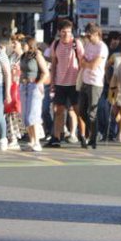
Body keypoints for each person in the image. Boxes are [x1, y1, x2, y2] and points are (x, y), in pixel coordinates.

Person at [44, 20, 84, 148]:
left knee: (78, 111)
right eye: (63, 32)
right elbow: (54, 63)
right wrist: (52, 81)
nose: (66, 34)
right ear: (59, 32)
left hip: (74, 83)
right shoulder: (56, 45)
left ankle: (83, 136)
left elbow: (82, 62)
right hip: (60, 83)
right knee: (58, 111)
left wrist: (82, 80)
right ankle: (56, 137)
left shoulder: (76, 43)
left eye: (68, 31)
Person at [76, 24, 106, 149]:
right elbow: (81, 61)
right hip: (85, 80)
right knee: (82, 110)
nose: (88, 37)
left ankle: (93, 139)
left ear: (97, 34)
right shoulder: (88, 45)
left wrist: (87, 63)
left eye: (90, 35)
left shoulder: (102, 47)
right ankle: (94, 132)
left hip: (95, 82)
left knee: (92, 113)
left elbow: (94, 65)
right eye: (87, 34)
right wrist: (87, 63)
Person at [17, 37, 50, 151]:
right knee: (25, 116)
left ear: (30, 44)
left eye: (24, 44)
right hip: (24, 86)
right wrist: (20, 81)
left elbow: (45, 72)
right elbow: (22, 71)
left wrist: (38, 84)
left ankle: (37, 142)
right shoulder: (23, 56)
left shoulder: (37, 55)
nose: (22, 46)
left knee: (33, 115)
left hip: (34, 86)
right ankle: (31, 141)